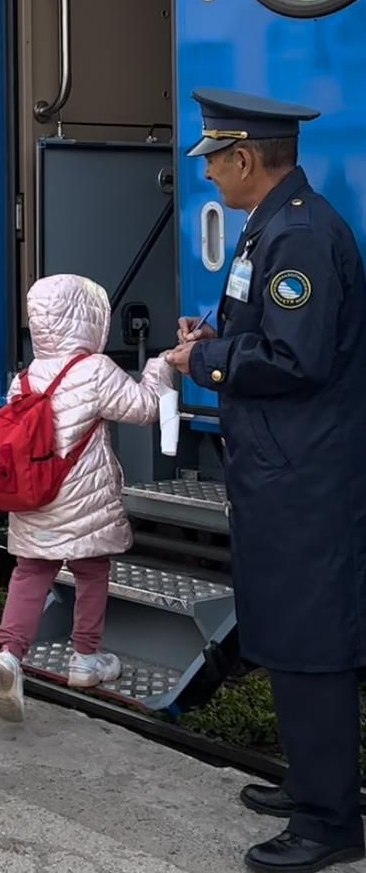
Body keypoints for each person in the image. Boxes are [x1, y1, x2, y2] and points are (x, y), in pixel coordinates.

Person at [166, 88, 366, 873]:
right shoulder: (274, 228)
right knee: (285, 628)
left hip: (304, 475)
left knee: (312, 638)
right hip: (280, 466)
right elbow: (274, 336)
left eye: (213, 161)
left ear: (245, 158)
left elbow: (297, 359)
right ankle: (315, 785)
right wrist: (217, 336)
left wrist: (202, 362)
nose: (209, 176)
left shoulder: (302, 238)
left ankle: (329, 821)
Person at [0, 273, 172, 721]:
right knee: (92, 572)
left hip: (33, 499)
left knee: (30, 572)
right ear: (90, 320)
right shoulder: (95, 370)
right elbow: (144, 408)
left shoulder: (24, 378)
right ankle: (86, 658)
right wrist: (160, 369)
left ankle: (9, 653)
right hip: (83, 503)